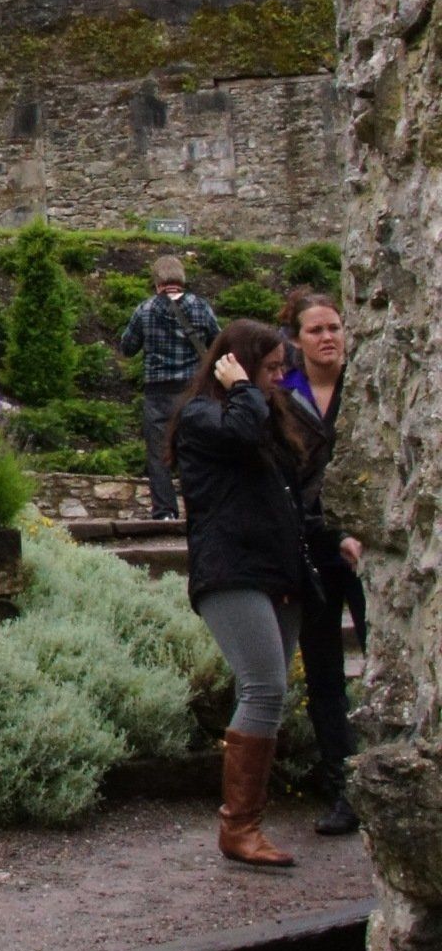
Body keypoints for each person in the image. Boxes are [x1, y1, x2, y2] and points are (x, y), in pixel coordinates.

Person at [170, 317, 316, 868]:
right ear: (237, 363)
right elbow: (238, 435)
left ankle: (248, 822)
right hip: (230, 570)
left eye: (283, 368)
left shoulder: (262, 411)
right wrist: (242, 389)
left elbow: (290, 489)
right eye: (272, 367)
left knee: (267, 693)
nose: (280, 378)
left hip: (275, 573)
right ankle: (239, 828)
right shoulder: (205, 414)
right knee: (264, 687)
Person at [279, 287, 366, 838]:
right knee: (326, 674)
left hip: (367, 546)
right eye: (315, 330)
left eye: (333, 326)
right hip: (313, 547)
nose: (327, 337)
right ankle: (345, 789)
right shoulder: (283, 396)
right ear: (296, 340)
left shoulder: (367, 386)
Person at [119, 254, 218, 521]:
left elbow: (127, 348)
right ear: (181, 280)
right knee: (193, 450)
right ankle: (198, 511)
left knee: (159, 454)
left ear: (157, 282)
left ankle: (164, 511)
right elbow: (217, 344)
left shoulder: (146, 309)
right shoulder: (201, 307)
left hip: (158, 392)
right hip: (192, 390)